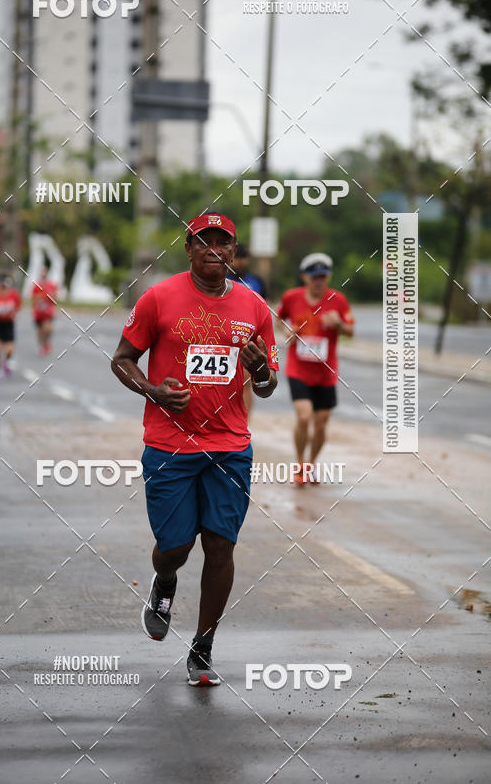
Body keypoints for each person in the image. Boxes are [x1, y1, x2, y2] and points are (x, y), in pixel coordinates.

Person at [111, 214, 279, 686]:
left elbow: (267, 385)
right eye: (203, 241)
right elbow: (121, 360)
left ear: (233, 250)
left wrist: (261, 370)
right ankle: (164, 583)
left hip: (229, 447)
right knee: (176, 548)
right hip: (169, 445)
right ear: (188, 248)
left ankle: (202, 646)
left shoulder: (254, 307)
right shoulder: (158, 298)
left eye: (222, 242)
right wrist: (153, 391)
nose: (213, 249)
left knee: (221, 546)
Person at [276, 253, 354, 487]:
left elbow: (350, 331)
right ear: (304, 277)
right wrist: (288, 332)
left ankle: (311, 464)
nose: (319, 281)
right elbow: (278, 319)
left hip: (326, 373)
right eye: (314, 277)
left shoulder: (338, 300)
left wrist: (338, 324)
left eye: (323, 276)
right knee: (304, 416)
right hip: (298, 369)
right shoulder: (291, 297)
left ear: (328, 277)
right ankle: (300, 465)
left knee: (320, 424)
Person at [227, 244, 267, 417]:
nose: (240, 262)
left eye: (243, 258)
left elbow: (264, 310)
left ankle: (244, 421)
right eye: (236, 258)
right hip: (224, 338)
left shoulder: (256, 282)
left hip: (249, 340)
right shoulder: (221, 280)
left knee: (245, 383)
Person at [0, 274, 22, 377]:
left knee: (10, 349)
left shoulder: (14, 295)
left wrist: (14, 313)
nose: (4, 288)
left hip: (8, 323)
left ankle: (5, 362)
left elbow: (19, 306)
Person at [31, 264, 58, 355]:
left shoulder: (51, 285)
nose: (43, 273)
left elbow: (55, 299)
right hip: (39, 312)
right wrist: (39, 298)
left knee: (48, 329)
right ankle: (41, 346)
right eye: (41, 271)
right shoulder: (36, 286)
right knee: (40, 331)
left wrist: (51, 297)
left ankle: (46, 343)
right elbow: (33, 300)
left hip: (48, 312)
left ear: (47, 273)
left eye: (44, 271)